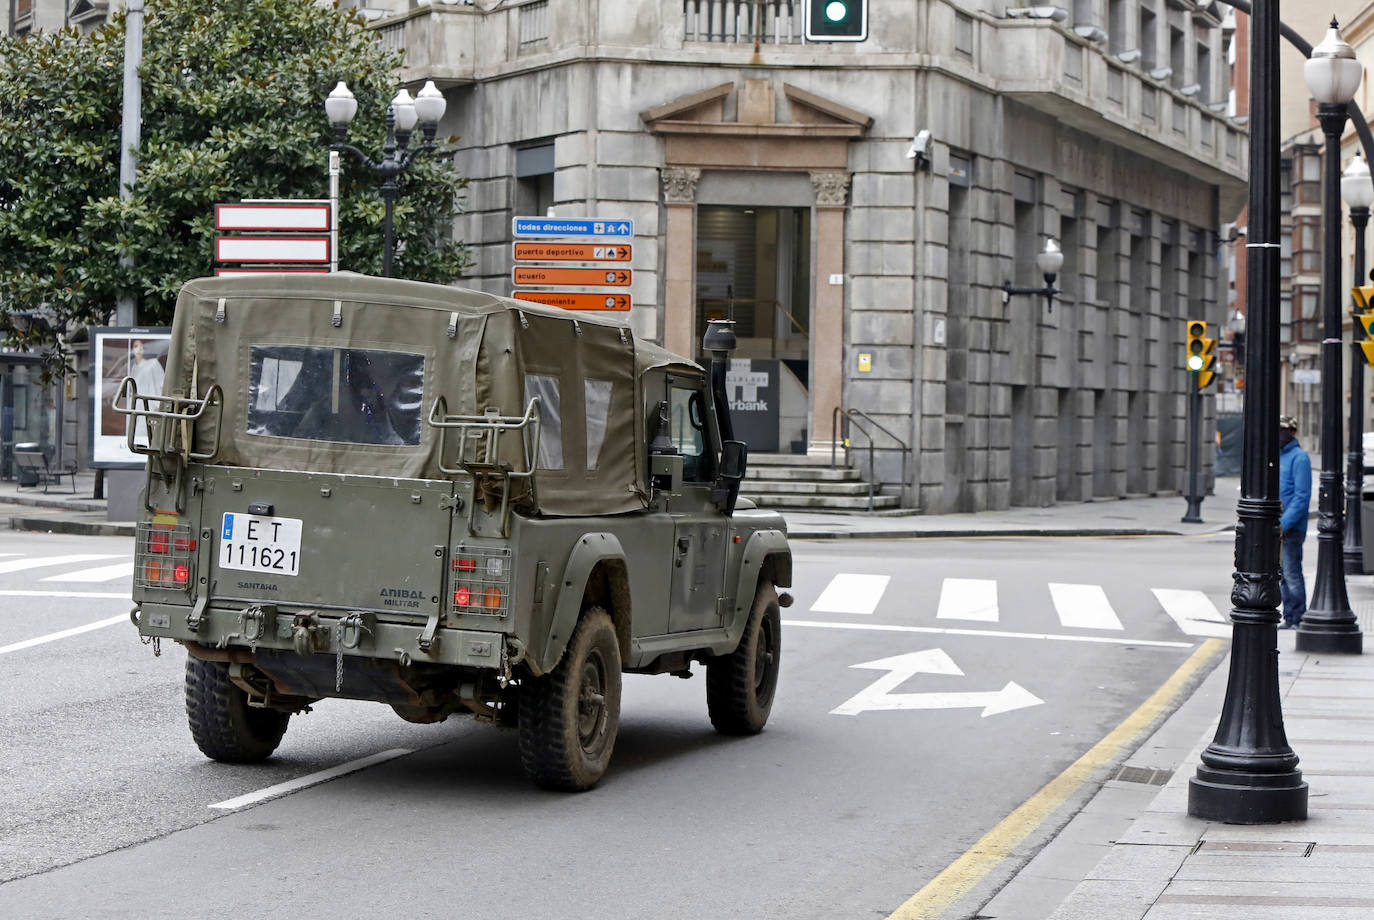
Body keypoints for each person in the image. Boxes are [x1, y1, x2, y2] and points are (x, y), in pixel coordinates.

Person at [1278, 415, 1311, 629]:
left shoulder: (1299, 458)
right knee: (1283, 575)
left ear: (1292, 432)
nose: (1280, 435)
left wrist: (1284, 524)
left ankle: (1298, 617)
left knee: (1291, 573)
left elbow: (1301, 496)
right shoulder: (1278, 457)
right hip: (1279, 527)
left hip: (1291, 528)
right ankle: (1289, 617)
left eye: (1283, 430)